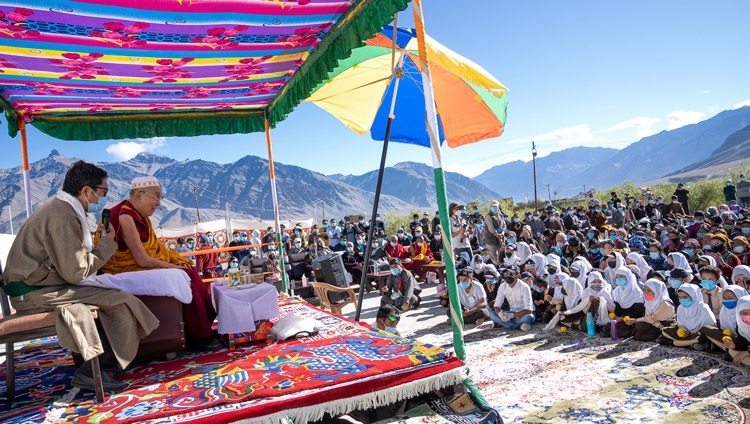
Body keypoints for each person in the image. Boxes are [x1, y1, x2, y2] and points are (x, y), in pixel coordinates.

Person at [2, 161, 159, 392]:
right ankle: (93, 371)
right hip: (33, 293)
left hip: (42, 286)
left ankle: (100, 365)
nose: (104, 199)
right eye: (103, 192)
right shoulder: (62, 216)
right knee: (120, 300)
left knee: (112, 296)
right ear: (86, 191)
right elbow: (74, 271)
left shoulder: (61, 209)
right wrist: (106, 244)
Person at [100, 176, 220, 352]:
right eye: (156, 196)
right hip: (123, 269)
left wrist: (175, 265)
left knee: (188, 271)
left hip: (136, 266)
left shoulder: (138, 214)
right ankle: (198, 336)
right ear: (140, 194)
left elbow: (151, 251)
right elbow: (142, 259)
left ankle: (200, 330)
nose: (159, 203)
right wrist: (174, 267)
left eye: (160, 197)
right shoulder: (125, 215)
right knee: (186, 274)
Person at [660, 283, 716, 348]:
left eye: (685, 297)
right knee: (665, 331)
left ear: (694, 296)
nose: (682, 300)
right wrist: (684, 330)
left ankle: (676, 343)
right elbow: (681, 324)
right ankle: (692, 343)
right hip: (687, 334)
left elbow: (710, 326)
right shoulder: (680, 307)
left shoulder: (703, 307)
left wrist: (692, 332)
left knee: (703, 335)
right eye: (680, 297)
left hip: (699, 333)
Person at [701, 285, 748, 354]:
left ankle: (728, 349)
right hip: (733, 339)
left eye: (730, 298)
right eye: (724, 298)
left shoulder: (745, 310)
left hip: (741, 340)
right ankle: (729, 348)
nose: (727, 300)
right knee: (705, 328)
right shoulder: (724, 310)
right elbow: (722, 329)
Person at [601, 267, 645, 338]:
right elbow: (618, 308)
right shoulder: (617, 291)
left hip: (632, 319)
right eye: (617, 277)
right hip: (621, 319)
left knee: (623, 328)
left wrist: (623, 318)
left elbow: (638, 311)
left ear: (628, 277)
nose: (619, 279)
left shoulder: (636, 292)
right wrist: (615, 316)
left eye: (621, 276)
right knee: (607, 328)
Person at [721, 295, 750, 366]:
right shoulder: (741, 325)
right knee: (732, 350)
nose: (748, 316)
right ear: (738, 313)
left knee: (742, 355)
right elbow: (744, 342)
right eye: (744, 313)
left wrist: (747, 353)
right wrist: (735, 345)